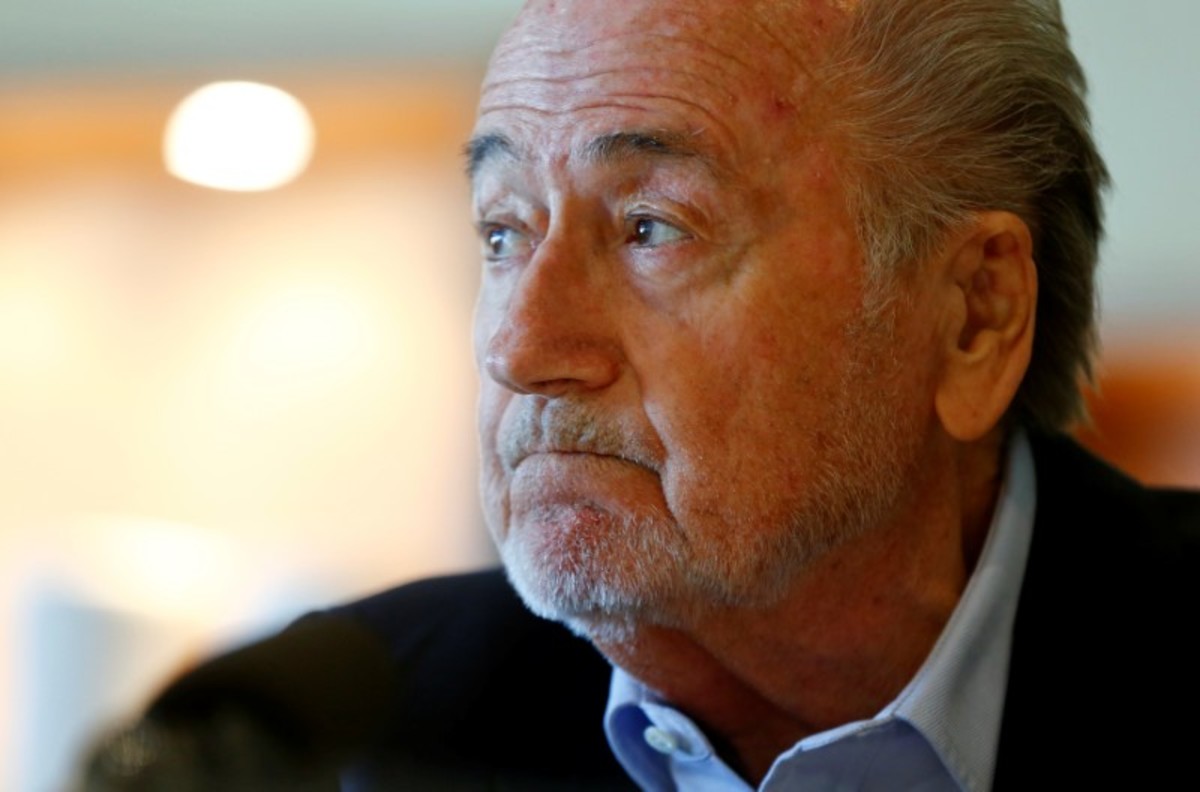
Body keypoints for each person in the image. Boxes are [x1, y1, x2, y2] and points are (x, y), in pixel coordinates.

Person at [98, 1, 1197, 790]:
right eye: (503, 231)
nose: (523, 347)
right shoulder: (340, 736)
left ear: (974, 315)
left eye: (651, 227)